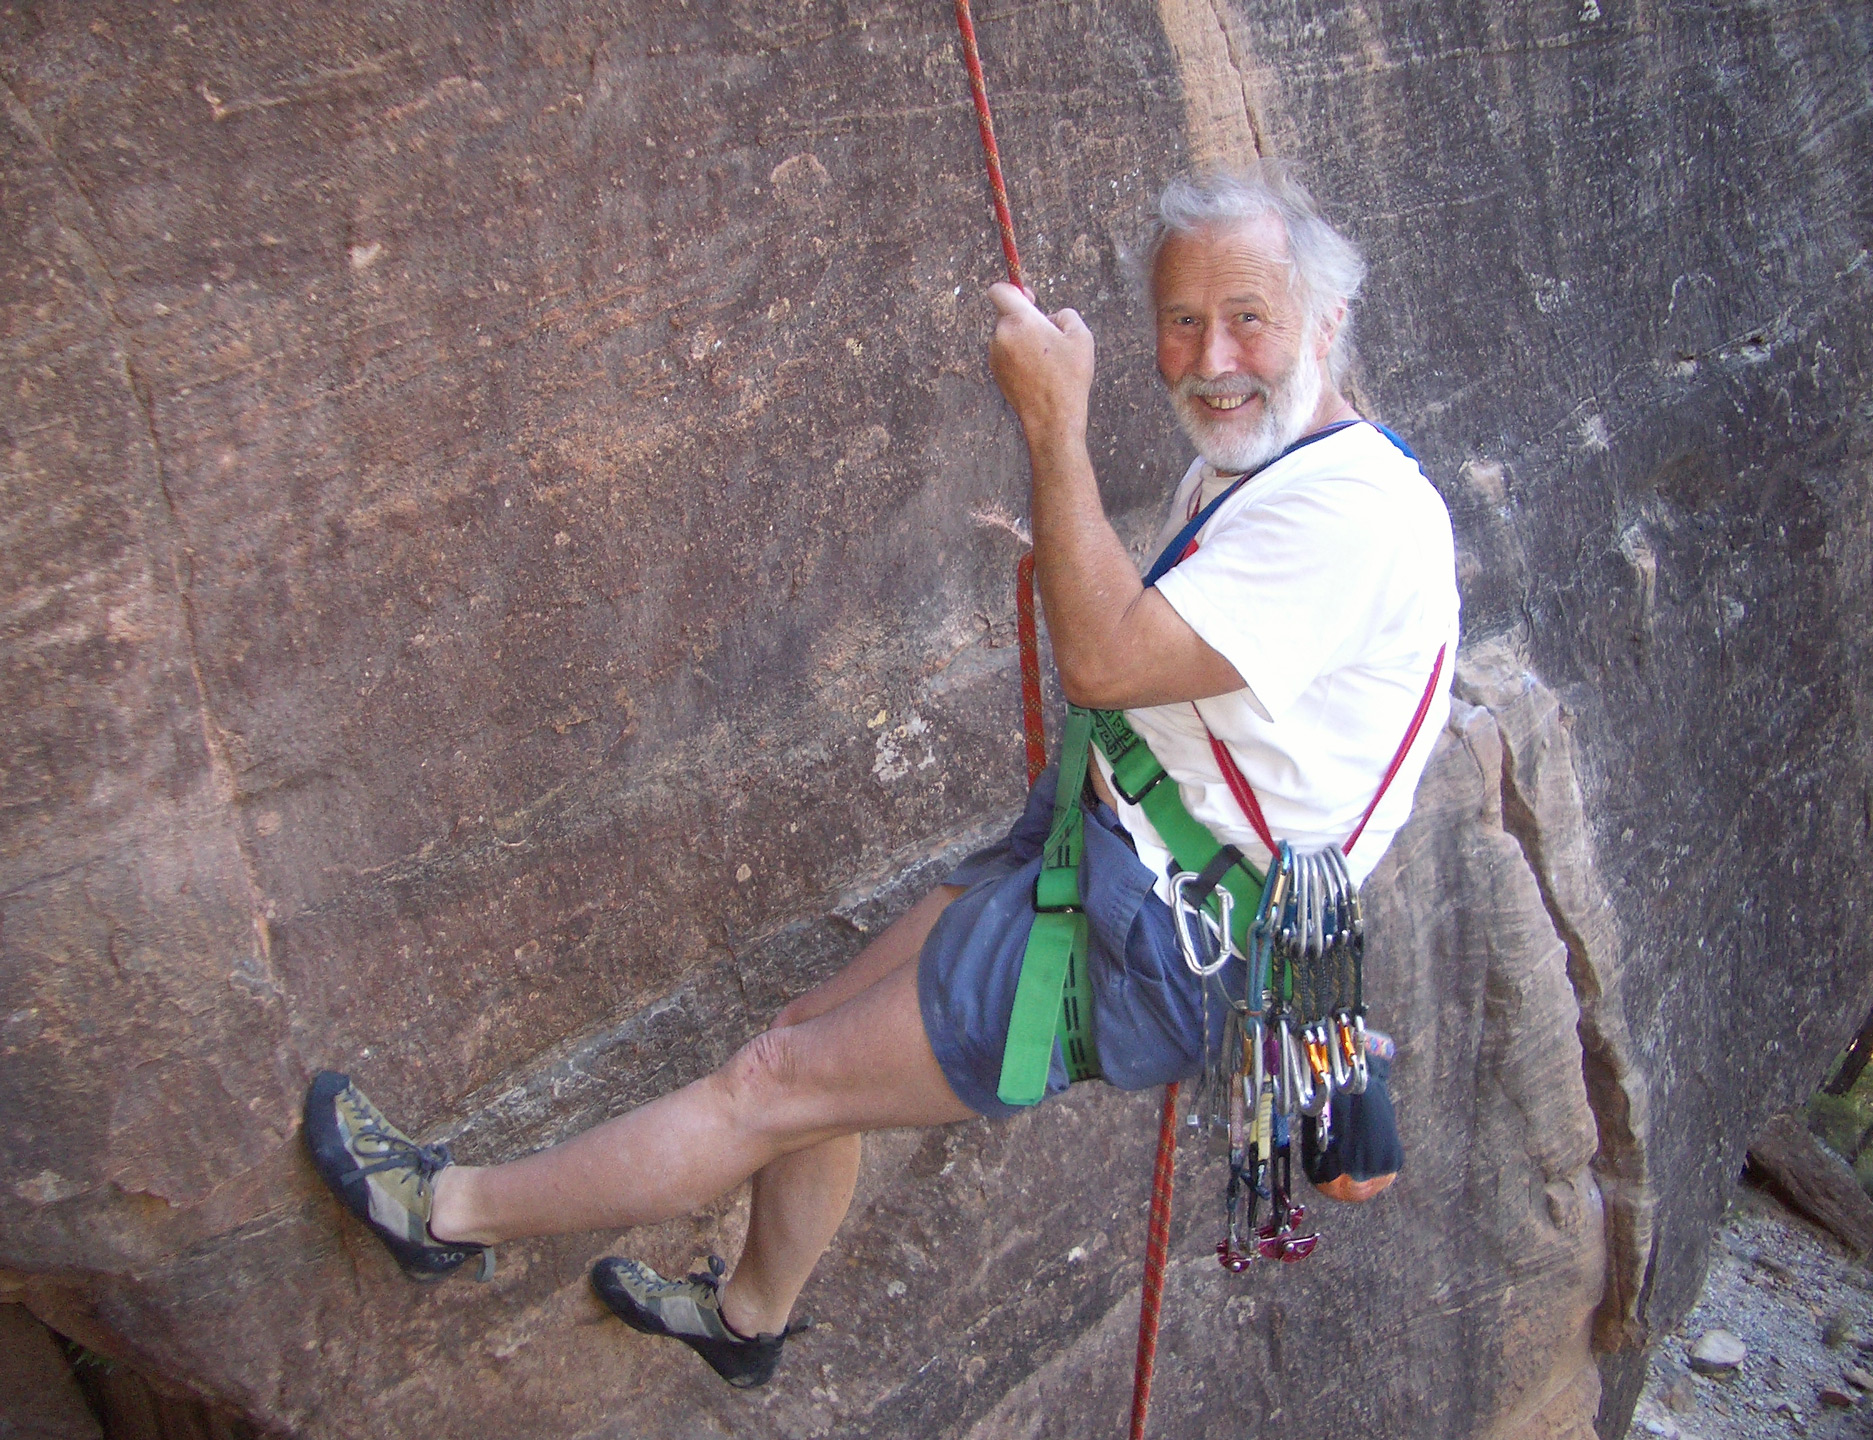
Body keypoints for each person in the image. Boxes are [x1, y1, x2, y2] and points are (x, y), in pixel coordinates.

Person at [304, 163, 1459, 1390]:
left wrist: (1051, 430)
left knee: (773, 1083)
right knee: (807, 1046)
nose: (1210, 353)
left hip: (1152, 928)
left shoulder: (1351, 517)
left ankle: (437, 1212)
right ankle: (748, 1321)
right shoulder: (1290, 457)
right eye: (1181, 319)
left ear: (1326, 323)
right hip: (1119, 852)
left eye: (1247, 316)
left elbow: (1109, 653)